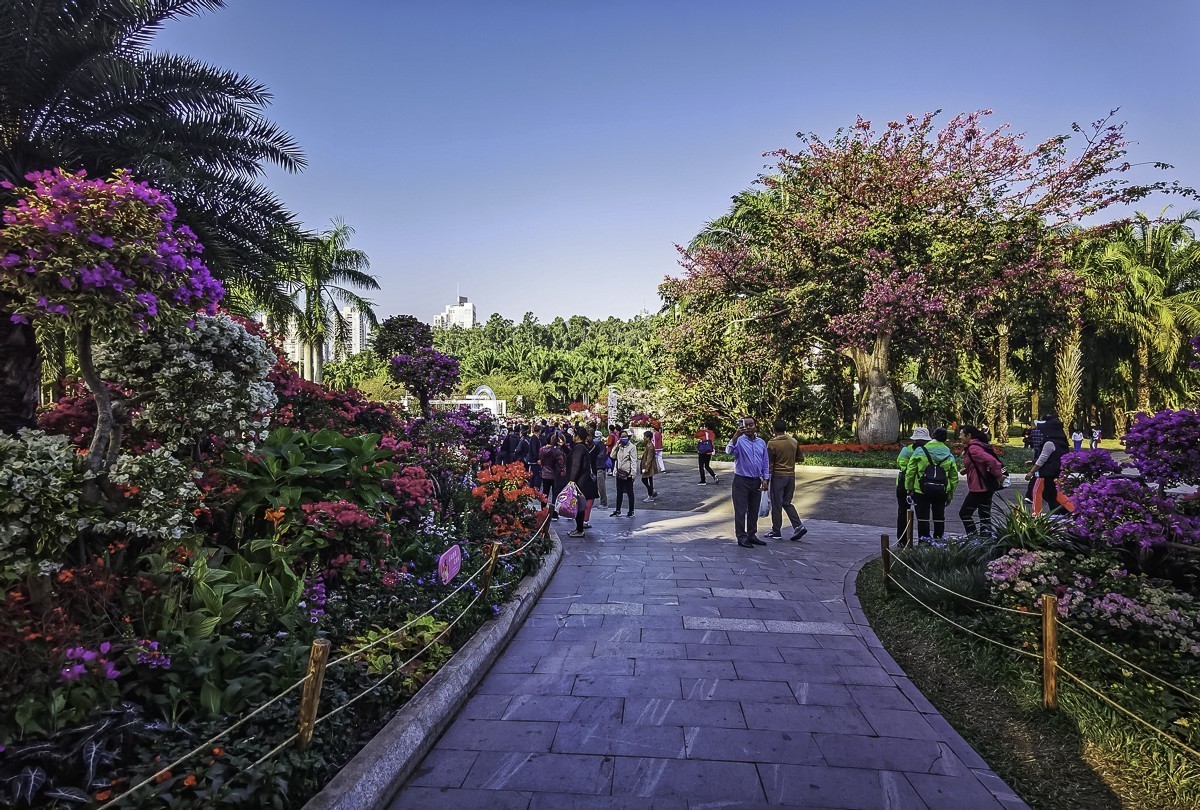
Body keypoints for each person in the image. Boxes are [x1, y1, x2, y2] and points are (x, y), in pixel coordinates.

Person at [905, 426, 959, 543]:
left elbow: (910, 471)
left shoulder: (920, 451)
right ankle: (938, 541)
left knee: (923, 518)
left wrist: (909, 488)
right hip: (941, 491)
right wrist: (950, 495)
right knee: (939, 517)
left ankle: (924, 542)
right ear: (945, 439)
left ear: (933, 436)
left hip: (921, 490)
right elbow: (954, 477)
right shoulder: (949, 455)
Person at [725, 417, 770, 548]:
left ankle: (752, 534)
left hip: (756, 481)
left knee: (754, 510)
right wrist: (735, 435)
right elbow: (728, 451)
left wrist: (766, 479)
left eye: (751, 425)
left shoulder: (761, 442)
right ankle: (741, 536)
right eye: (746, 425)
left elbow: (765, 462)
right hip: (741, 480)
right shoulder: (739, 440)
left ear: (756, 425)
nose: (749, 427)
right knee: (740, 510)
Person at [959, 425, 1005, 536]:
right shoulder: (980, 445)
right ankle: (985, 540)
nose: (960, 437)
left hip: (979, 487)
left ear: (969, 435)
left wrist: (999, 475)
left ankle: (973, 539)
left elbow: (992, 461)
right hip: (987, 486)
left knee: (965, 513)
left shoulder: (973, 447)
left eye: (961, 434)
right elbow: (980, 462)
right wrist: (967, 469)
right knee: (984, 514)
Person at [766, 418, 808, 541]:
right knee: (787, 502)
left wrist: (766, 479)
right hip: (791, 475)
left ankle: (776, 531)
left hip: (778, 476)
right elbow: (801, 458)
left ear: (774, 430)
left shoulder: (772, 443)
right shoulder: (793, 441)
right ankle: (798, 526)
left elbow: (770, 463)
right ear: (785, 429)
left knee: (776, 504)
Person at [1026, 414, 1069, 514]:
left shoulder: (1049, 443)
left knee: (1046, 493)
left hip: (1047, 474)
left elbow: (1043, 459)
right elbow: (1054, 457)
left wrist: (1031, 472)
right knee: (1053, 494)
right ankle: (1061, 511)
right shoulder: (1062, 442)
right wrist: (1032, 461)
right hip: (1057, 472)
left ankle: (1069, 509)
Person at [565, 426, 597, 538]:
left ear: (577, 436)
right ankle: (579, 528)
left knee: (578, 506)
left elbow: (576, 465)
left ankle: (579, 529)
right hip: (583, 480)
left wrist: (571, 480)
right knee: (579, 505)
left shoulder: (579, 448)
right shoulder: (582, 447)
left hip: (580, 481)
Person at [895, 434, 920, 547]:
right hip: (917, 486)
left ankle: (903, 540)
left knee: (903, 512)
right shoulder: (926, 452)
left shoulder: (905, 450)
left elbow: (901, 464)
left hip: (904, 485)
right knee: (920, 514)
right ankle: (907, 540)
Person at [537, 432, 566, 521]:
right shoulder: (557, 451)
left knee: (545, 493)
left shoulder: (542, 450)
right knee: (555, 494)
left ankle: (543, 510)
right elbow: (560, 462)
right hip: (555, 474)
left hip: (545, 473)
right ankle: (553, 513)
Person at [610, 430, 638, 517]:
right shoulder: (619, 446)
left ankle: (631, 511)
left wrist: (633, 473)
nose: (624, 438)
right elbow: (612, 456)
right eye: (622, 437)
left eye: (625, 436)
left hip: (628, 473)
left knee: (630, 492)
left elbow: (634, 460)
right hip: (619, 472)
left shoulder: (632, 447)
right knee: (619, 492)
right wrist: (616, 446)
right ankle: (618, 510)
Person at [589, 431, 608, 508]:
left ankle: (603, 502)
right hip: (593, 468)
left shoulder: (601, 445)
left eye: (596, 437)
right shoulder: (592, 445)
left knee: (601, 486)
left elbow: (602, 455)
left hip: (600, 467)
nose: (595, 439)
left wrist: (594, 456)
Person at [640, 430, 659, 502]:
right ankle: (651, 493)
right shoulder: (649, 445)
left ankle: (651, 492)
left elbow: (649, 458)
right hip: (648, 465)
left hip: (648, 466)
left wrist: (646, 467)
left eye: (645, 437)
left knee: (644, 479)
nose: (644, 438)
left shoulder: (650, 446)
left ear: (648, 437)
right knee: (650, 480)